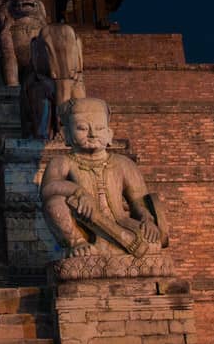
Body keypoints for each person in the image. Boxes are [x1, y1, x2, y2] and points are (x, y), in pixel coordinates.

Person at [40, 97, 163, 257]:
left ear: (109, 134)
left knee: (153, 243)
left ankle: (112, 251)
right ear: (67, 134)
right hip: (85, 229)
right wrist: (79, 192)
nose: (92, 134)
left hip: (120, 226)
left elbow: (139, 200)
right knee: (54, 203)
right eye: (82, 128)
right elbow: (48, 188)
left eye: (99, 128)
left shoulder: (122, 163)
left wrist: (147, 220)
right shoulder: (62, 162)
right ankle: (77, 244)